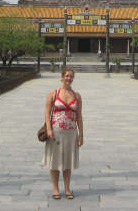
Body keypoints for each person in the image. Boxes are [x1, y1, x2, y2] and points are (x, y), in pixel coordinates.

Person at [43, 67, 83, 200]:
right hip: (56, 131)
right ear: (62, 77)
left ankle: (67, 188)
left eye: (71, 76)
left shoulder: (77, 96)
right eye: (66, 76)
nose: (69, 79)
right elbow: (47, 113)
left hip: (71, 132)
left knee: (68, 162)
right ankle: (55, 188)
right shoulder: (54, 93)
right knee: (55, 161)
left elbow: (79, 116)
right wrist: (49, 129)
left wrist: (81, 134)